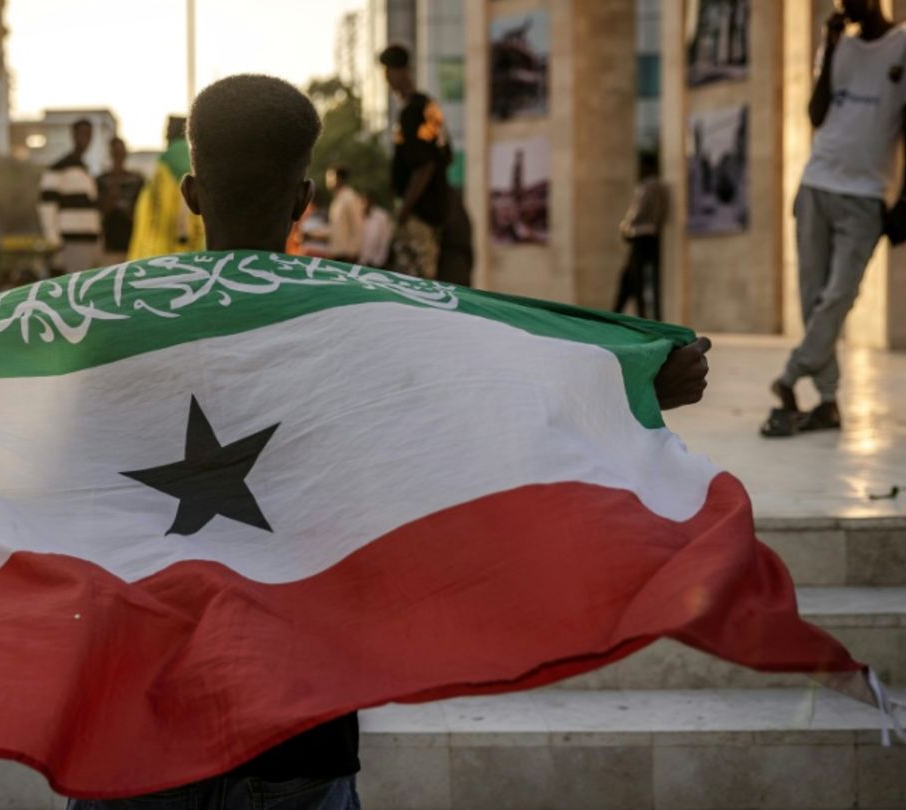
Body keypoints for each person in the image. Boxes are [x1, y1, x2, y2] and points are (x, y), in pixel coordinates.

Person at [67, 72, 713, 810]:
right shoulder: (362, 328)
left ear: (190, 194)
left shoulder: (107, 333)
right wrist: (630, 385)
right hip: (296, 737)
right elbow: (496, 398)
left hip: (132, 738)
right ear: (305, 200)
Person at [762, 0, 906, 438]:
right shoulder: (838, 46)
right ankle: (828, 401)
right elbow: (816, 114)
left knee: (839, 296)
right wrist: (829, 46)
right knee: (812, 298)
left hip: (866, 194)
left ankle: (791, 374)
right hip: (817, 183)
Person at [380, 44, 453, 279]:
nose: (387, 78)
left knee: (417, 283)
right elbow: (446, 154)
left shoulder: (412, 111)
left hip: (420, 214)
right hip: (433, 210)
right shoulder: (429, 106)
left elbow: (425, 165)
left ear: (399, 71)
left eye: (388, 71)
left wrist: (405, 209)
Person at [128, 116, 206, 259]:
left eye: (168, 130)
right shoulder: (192, 156)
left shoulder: (169, 159)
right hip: (191, 234)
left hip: (168, 237)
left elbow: (156, 202)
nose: (165, 135)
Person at [40, 119, 101, 275]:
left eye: (89, 135)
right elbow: (47, 205)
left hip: (90, 241)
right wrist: (54, 240)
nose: (86, 139)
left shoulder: (85, 169)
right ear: (73, 135)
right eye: (82, 134)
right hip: (71, 242)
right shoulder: (59, 168)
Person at [614, 153, 668, 320]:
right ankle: (620, 313)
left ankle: (634, 315)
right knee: (635, 278)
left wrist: (626, 226)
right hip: (651, 236)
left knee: (636, 279)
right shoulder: (660, 188)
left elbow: (638, 211)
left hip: (641, 237)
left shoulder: (648, 187)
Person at [97, 137, 145, 265]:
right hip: (109, 245)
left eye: (121, 153)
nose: (118, 157)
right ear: (110, 154)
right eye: (115, 153)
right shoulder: (101, 181)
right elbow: (99, 213)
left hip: (134, 244)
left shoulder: (137, 180)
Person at [325, 167, 363, 263]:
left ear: (339, 179)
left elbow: (358, 226)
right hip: (336, 252)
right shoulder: (337, 199)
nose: (327, 179)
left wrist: (354, 251)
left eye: (330, 176)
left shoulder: (350, 198)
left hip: (347, 255)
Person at [357, 192, 393, 269]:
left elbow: (385, 240)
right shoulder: (358, 214)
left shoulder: (382, 216)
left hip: (375, 262)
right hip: (359, 260)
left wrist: (379, 260)